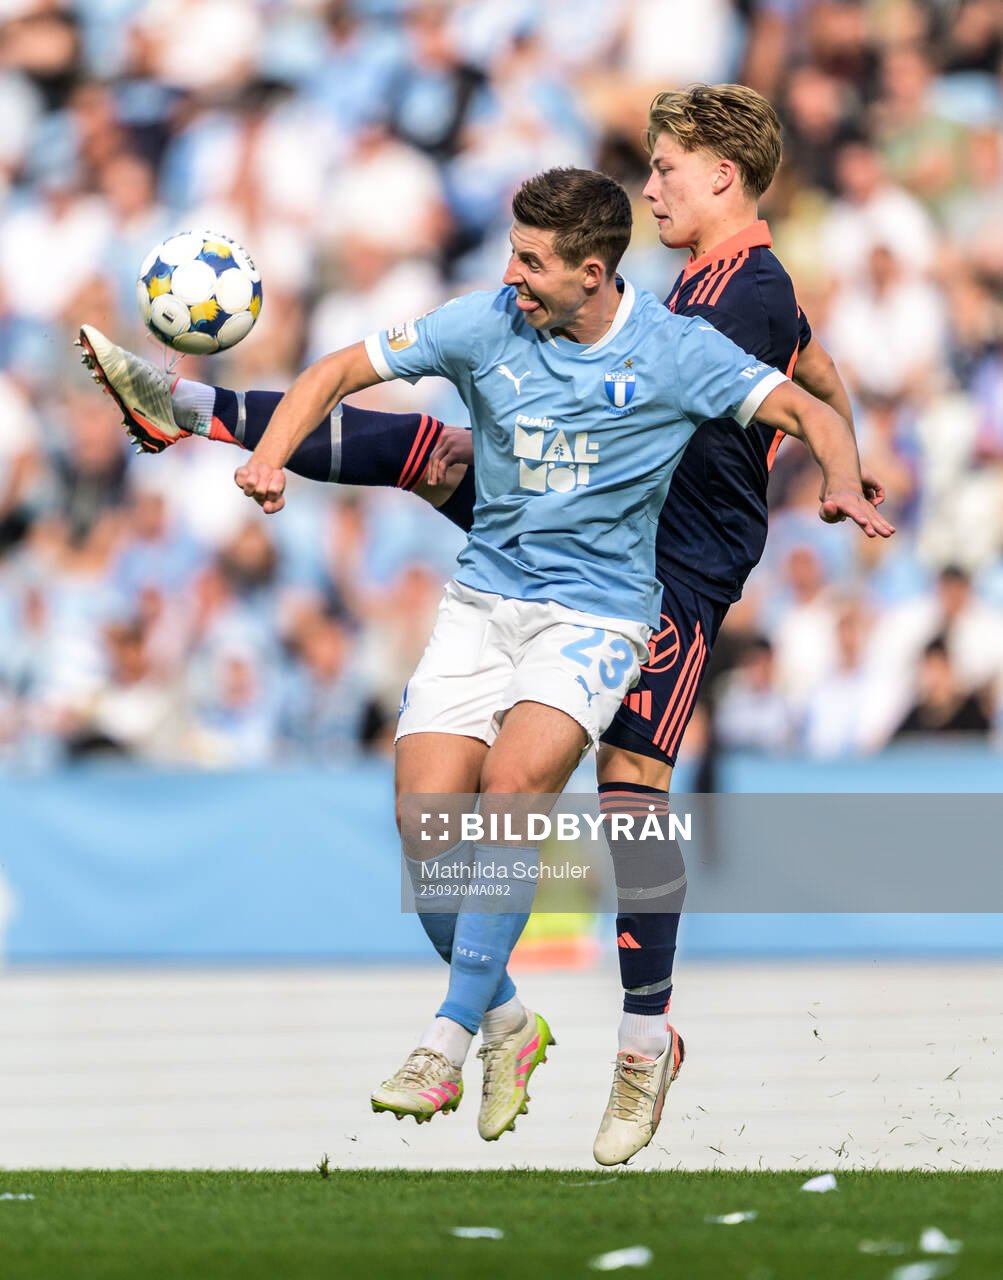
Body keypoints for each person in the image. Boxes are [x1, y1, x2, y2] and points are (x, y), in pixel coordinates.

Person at [77, 94, 890, 1165]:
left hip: (666, 566)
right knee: (430, 447)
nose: (649, 190)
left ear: (723, 179)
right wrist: (850, 453)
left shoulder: (739, 294)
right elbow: (815, 369)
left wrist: (835, 466)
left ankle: (643, 1039)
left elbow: (775, 388)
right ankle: (193, 410)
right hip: (580, 517)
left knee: (631, 799)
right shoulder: (711, 278)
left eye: (665, 171)